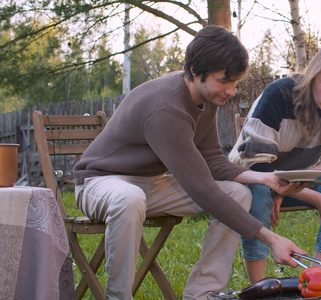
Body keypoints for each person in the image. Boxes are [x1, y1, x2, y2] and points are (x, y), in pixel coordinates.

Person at [73, 25, 308, 300]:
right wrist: (271, 239)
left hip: (152, 183)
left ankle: (203, 293)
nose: (231, 91)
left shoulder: (207, 97)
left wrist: (264, 178)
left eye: (235, 82)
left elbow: (211, 162)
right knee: (130, 198)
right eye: (225, 80)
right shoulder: (166, 109)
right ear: (196, 71)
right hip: (100, 182)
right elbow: (202, 188)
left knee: (237, 193)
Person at [229, 44, 321, 284]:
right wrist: (317, 198)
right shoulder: (280, 94)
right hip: (250, 180)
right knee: (261, 190)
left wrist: (293, 182)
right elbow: (258, 168)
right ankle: (258, 287)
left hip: (291, 183)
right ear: (312, 77)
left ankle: (320, 275)